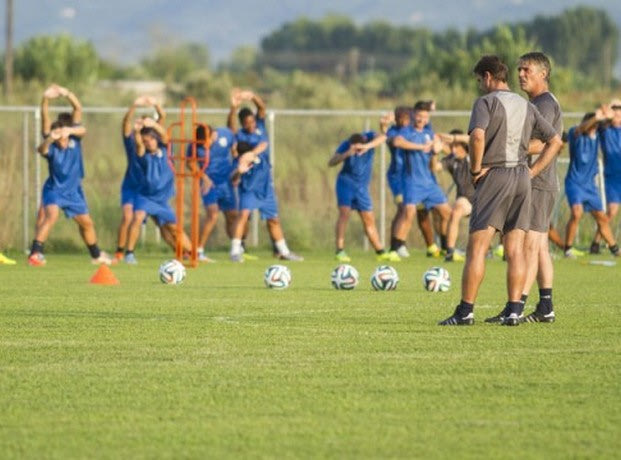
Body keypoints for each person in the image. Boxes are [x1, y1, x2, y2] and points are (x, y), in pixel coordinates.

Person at [438, 55, 562, 326]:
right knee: (515, 249)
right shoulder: (525, 104)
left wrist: (475, 170)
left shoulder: (485, 102)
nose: (480, 85)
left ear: (487, 76)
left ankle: (465, 311)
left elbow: (477, 136)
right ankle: (515, 310)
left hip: (496, 174)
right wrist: (531, 171)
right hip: (521, 177)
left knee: (477, 247)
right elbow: (555, 140)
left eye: (479, 80)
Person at [491, 51, 563, 324]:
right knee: (540, 246)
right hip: (540, 182)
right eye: (519, 69)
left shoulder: (543, 104)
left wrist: (506, 150)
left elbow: (541, 143)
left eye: (526, 70)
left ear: (543, 74)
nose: (520, 74)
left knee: (529, 247)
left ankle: (516, 306)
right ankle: (546, 306)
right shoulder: (537, 102)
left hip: (539, 182)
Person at [28, 84, 112, 266]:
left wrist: (66, 93)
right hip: (55, 189)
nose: (62, 136)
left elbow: (78, 111)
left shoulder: (74, 138)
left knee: (86, 223)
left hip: (74, 191)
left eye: (64, 132)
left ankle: (96, 255)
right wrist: (45, 99)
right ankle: (35, 254)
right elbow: (41, 148)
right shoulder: (51, 145)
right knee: (51, 216)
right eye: (59, 133)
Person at [227, 89, 302, 262]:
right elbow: (231, 127)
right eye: (247, 123)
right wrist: (233, 108)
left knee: (273, 219)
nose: (251, 125)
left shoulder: (260, 128)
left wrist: (252, 96)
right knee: (243, 215)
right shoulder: (240, 137)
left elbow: (261, 108)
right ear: (242, 123)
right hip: (249, 186)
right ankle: (235, 251)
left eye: (252, 121)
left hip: (265, 184)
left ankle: (284, 252)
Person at [123, 118, 192, 263]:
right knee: (138, 217)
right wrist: (137, 132)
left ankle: (191, 253)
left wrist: (153, 124)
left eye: (150, 140)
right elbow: (139, 145)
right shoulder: (144, 156)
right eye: (145, 141)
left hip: (162, 200)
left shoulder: (167, 151)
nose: (148, 143)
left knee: (172, 228)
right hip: (146, 197)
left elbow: (165, 136)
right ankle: (129, 254)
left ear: (156, 139)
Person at [389, 102, 451, 257]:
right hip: (412, 182)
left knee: (446, 213)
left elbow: (447, 150)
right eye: (419, 116)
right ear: (413, 116)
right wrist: (422, 147)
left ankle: (446, 248)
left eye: (425, 117)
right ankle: (395, 249)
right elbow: (397, 142)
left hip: (430, 182)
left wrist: (438, 146)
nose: (422, 119)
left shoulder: (429, 133)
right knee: (408, 213)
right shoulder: (407, 131)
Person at [328, 130, 397, 262]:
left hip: (362, 188)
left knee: (368, 219)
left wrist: (366, 147)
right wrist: (347, 153)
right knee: (344, 214)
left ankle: (380, 251)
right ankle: (340, 250)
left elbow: (383, 137)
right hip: (345, 184)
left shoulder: (369, 140)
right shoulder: (346, 145)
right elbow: (331, 162)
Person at [114, 96, 166, 262]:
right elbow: (125, 122)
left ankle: (185, 251)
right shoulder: (131, 139)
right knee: (128, 217)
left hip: (149, 189)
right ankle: (120, 252)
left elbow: (162, 117)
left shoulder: (153, 139)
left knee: (163, 223)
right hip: (131, 186)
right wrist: (134, 106)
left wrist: (156, 104)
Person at [564, 112, 620, 257]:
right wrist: (596, 118)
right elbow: (581, 128)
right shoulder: (576, 133)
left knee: (602, 217)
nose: (594, 127)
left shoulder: (597, 136)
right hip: (575, 182)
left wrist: (610, 114)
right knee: (577, 213)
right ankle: (568, 249)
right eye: (593, 124)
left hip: (590, 186)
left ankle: (615, 249)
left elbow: (611, 125)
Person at [188, 124, 237, 262]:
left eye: (207, 142)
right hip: (209, 185)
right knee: (212, 214)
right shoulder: (194, 145)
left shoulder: (226, 135)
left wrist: (236, 172)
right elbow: (190, 163)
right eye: (202, 144)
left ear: (213, 135)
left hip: (226, 184)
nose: (205, 146)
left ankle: (236, 249)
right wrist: (204, 177)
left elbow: (235, 151)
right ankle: (199, 250)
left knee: (232, 216)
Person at [432, 129, 475, 262]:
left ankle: (498, 250)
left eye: (455, 146)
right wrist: (435, 152)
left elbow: (471, 138)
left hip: (484, 198)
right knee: (455, 212)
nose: (453, 149)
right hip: (466, 200)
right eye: (451, 146)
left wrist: (451, 137)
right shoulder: (452, 160)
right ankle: (450, 252)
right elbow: (435, 168)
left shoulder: (474, 154)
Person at [590, 100, 621, 253]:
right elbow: (596, 120)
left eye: (619, 108)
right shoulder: (604, 129)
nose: (617, 111)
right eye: (614, 108)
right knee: (612, 211)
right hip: (612, 177)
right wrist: (606, 111)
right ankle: (597, 242)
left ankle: (596, 243)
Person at [383, 107, 410, 258]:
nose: (404, 121)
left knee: (410, 210)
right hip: (396, 177)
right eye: (400, 118)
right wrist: (383, 125)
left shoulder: (412, 129)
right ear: (396, 119)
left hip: (410, 177)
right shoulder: (393, 131)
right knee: (403, 208)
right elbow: (389, 138)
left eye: (406, 118)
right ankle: (396, 245)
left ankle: (399, 244)